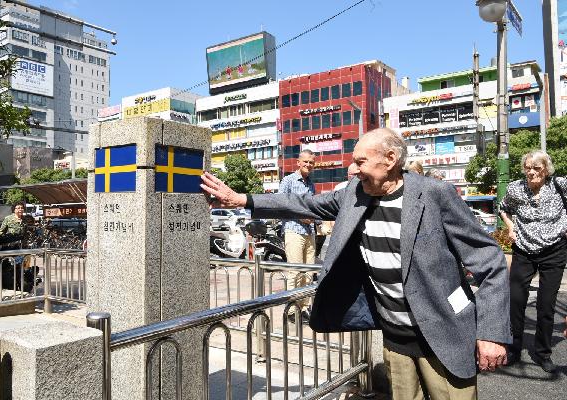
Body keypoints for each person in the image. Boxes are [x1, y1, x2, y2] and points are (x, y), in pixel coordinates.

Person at [201, 128, 510, 400]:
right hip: (396, 340)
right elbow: (303, 204)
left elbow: (490, 260)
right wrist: (243, 200)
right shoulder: (354, 193)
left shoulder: (434, 194)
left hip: (444, 332)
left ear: (390, 159)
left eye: (361, 161)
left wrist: (492, 334)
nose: (352, 168)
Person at [499, 150, 567, 373]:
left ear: (546, 169)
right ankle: (514, 348)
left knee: (546, 304)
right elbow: (503, 208)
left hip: (554, 250)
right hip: (524, 250)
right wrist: (510, 228)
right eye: (528, 167)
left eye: (536, 168)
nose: (531, 171)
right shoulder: (516, 189)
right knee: (516, 300)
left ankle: (542, 353)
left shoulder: (559, 185)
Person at [278, 149, 317, 319]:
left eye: (311, 162)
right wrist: (301, 217)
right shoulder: (288, 180)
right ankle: (292, 310)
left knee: (308, 273)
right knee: (294, 272)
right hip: (293, 230)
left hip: (310, 232)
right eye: (306, 161)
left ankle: (304, 307)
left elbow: (313, 206)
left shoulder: (311, 183)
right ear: (298, 162)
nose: (308, 165)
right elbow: (279, 205)